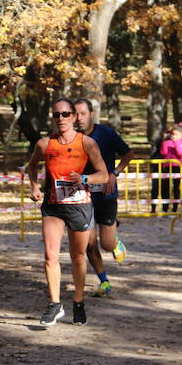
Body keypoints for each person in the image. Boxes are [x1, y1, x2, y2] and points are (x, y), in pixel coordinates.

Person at [27, 98, 108, 326]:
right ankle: (54, 304)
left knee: (78, 256)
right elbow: (32, 165)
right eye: (56, 115)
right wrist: (34, 187)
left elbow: (103, 174)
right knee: (50, 255)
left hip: (79, 205)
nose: (60, 119)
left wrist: (84, 178)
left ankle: (78, 302)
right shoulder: (45, 144)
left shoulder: (87, 143)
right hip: (53, 206)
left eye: (65, 114)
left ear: (74, 116)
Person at [74, 99, 135, 297]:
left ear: (91, 114)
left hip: (106, 193)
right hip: (84, 195)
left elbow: (128, 153)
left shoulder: (106, 133)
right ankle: (104, 281)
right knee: (89, 242)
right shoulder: (71, 137)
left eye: (83, 113)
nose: (79, 118)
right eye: (75, 114)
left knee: (106, 244)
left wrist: (114, 173)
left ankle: (114, 238)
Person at [159, 122, 182, 213]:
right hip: (166, 166)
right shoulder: (168, 142)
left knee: (176, 188)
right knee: (165, 187)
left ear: (181, 134)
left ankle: (175, 209)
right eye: (172, 134)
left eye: (176, 134)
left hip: (178, 167)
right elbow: (164, 153)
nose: (174, 136)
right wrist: (165, 142)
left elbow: (181, 154)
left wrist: (176, 143)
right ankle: (164, 208)